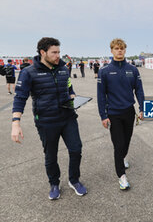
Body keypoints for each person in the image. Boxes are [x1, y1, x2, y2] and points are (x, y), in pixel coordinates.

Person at [11, 37, 87, 200]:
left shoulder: (63, 69)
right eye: (54, 52)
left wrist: (72, 95)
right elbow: (20, 98)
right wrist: (15, 123)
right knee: (51, 155)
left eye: (59, 52)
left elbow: (68, 86)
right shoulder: (28, 72)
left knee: (76, 150)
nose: (58, 55)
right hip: (46, 121)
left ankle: (74, 180)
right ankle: (54, 183)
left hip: (68, 117)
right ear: (42, 52)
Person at [97, 38, 145, 190]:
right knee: (119, 144)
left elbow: (139, 90)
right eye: (116, 49)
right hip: (113, 113)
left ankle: (123, 158)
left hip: (129, 111)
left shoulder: (133, 69)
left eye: (122, 49)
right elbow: (100, 95)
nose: (119, 51)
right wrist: (103, 116)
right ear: (111, 51)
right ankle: (122, 176)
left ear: (125, 50)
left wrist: (143, 108)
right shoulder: (104, 71)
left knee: (127, 140)